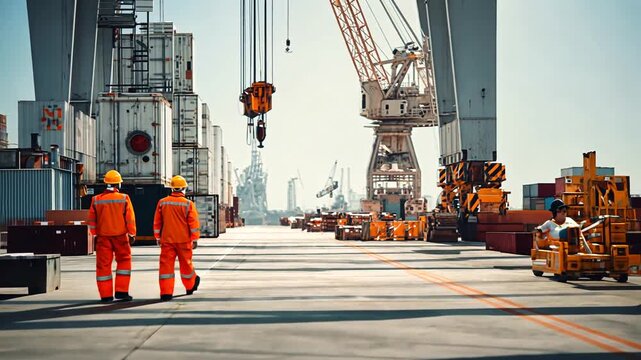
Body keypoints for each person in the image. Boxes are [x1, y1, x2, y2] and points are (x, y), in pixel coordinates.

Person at [88, 170, 136, 303]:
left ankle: (105, 296)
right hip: (121, 237)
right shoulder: (124, 198)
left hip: (103, 238)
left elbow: (92, 221)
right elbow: (130, 219)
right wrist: (132, 233)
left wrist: (95, 235)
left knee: (103, 266)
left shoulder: (96, 200)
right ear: (118, 185)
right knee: (124, 262)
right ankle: (121, 292)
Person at [153, 175, 201, 301]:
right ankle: (190, 286)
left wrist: (158, 237)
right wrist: (195, 239)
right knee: (186, 265)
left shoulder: (162, 202)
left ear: (172, 188)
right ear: (184, 188)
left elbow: (157, 222)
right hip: (184, 241)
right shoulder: (188, 204)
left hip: (167, 240)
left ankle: (166, 293)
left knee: (166, 267)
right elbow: (193, 223)